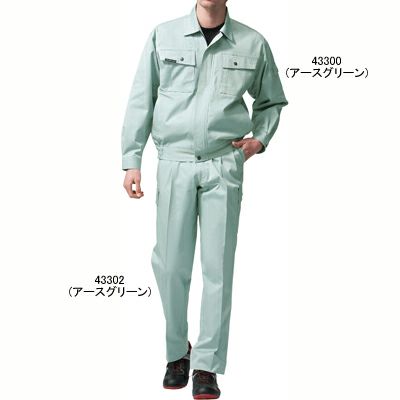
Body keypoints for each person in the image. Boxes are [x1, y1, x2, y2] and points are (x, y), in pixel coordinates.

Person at [121, 1, 288, 398]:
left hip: (223, 164)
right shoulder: (163, 35)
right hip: (174, 162)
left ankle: (207, 365)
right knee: (170, 265)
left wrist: (259, 140)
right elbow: (141, 98)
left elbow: (272, 100)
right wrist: (132, 159)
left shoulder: (252, 42)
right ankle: (177, 352)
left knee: (218, 268)